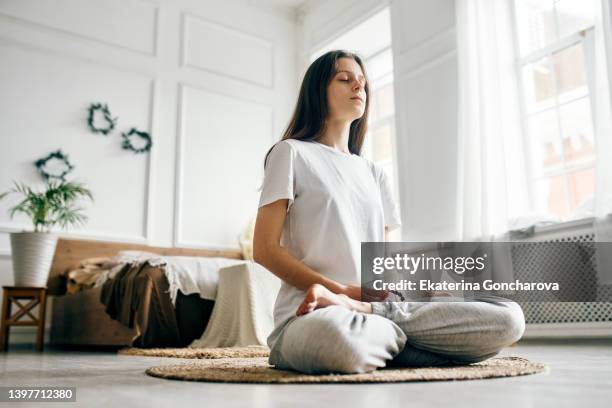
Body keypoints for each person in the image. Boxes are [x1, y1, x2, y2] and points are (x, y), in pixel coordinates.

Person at [253, 50, 525, 375]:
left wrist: (414, 294)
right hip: (312, 316)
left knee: (509, 317)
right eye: (345, 79)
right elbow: (265, 250)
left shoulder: (374, 173)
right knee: (337, 341)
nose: (358, 87)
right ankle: (410, 344)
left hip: (374, 310)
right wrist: (339, 292)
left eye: (363, 83)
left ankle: (385, 334)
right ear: (317, 90)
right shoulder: (291, 153)